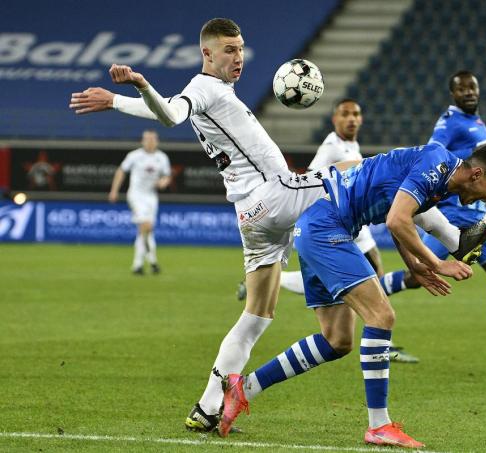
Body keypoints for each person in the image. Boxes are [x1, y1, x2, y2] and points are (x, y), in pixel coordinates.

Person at [69, 18, 337, 434]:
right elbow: (172, 114)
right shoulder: (205, 87)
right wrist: (139, 83)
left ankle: (208, 407)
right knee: (356, 178)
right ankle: (448, 228)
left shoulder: (211, 94)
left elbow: (169, 108)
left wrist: (118, 102)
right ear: (207, 54)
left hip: (251, 214)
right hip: (275, 195)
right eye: (229, 49)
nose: (239, 56)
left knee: (257, 317)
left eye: (242, 48)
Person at [218, 143, 486, 448]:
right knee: (382, 316)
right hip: (327, 227)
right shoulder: (437, 164)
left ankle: (243, 388)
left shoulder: (440, 180)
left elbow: (400, 216)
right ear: (477, 174)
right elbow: (396, 221)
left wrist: (415, 264)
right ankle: (379, 425)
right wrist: (438, 263)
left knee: (337, 339)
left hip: (320, 226)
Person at [379, 70, 486, 378]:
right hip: (456, 213)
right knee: (420, 274)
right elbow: (432, 154)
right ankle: (358, 293)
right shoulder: (449, 123)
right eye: (462, 89)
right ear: (453, 94)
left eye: (472, 87)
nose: (469, 92)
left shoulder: (477, 121)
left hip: (480, 214)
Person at [236, 98, 419, 363]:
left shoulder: (351, 144)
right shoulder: (331, 146)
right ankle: (378, 339)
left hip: (356, 219)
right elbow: (309, 180)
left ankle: (378, 337)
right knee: (364, 281)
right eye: (345, 114)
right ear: (335, 119)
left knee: (373, 276)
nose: (352, 119)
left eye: (356, 114)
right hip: (333, 218)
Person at [109, 130, 171, 274]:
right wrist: (114, 191)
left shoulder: (162, 158)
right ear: (142, 141)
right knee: (146, 226)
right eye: (146, 139)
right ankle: (143, 263)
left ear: (157, 141)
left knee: (147, 231)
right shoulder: (134, 156)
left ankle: (147, 263)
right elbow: (121, 171)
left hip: (151, 197)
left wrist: (163, 182)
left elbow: (167, 176)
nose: (149, 141)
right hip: (136, 195)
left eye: (152, 139)